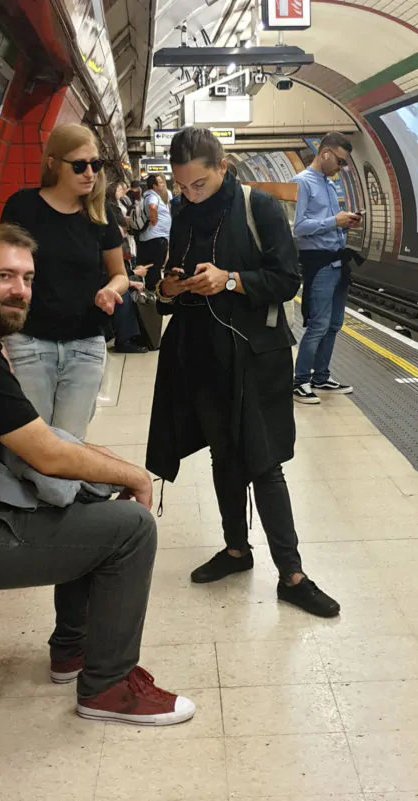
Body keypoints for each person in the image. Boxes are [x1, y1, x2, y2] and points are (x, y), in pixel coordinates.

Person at [0, 224, 195, 727]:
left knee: (88, 500)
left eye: (26, 278)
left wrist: (106, 467)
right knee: (131, 530)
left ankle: (72, 651)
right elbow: (46, 453)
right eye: (4, 276)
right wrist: (133, 475)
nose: (20, 290)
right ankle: (108, 687)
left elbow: (35, 434)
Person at [146, 127, 340, 618]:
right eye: (182, 186)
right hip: (201, 354)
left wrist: (229, 279)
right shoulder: (183, 213)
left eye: (199, 184)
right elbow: (170, 286)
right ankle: (236, 549)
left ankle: (292, 576)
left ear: (222, 168)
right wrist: (170, 288)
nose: (190, 194)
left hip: (253, 354)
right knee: (223, 455)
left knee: (263, 461)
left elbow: (287, 278)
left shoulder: (260, 207)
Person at [0, 123, 128, 439]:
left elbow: (120, 275)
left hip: (85, 344)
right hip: (29, 341)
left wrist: (110, 290)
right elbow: (2, 269)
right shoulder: (23, 207)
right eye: (80, 166)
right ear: (53, 163)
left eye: (96, 164)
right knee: (32, 444)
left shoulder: (100, 213)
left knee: (70, 444)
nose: (90, 173)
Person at [292, 132, 362, 404]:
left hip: (337, 261)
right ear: (325, 153)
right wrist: (334, 221)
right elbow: (298, 227)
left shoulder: (329, 185)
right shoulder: (302, 183)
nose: (341, 168)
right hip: (319, 263)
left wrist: (346, 223)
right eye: (340, 161)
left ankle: (320, 376)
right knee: (318, 325)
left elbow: (330, 222)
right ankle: (300, 381)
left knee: (334, 324)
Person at [105, 181, 148, 354]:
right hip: (104, 283)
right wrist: (131, 279)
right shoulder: (105, 244)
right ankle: (125, 339)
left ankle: (133, 335)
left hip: (109, 278)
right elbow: (106, 273)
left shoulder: (119, 205)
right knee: (124, 293)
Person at [138, 174, 172, 291]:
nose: (162, 185)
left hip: (154, 237)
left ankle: (152, 291)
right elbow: (152, 207)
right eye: (160, 183)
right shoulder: (152, 195)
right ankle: (154, 292)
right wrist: (154, 219)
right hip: (156, 238)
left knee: (154, 268)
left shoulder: (151, 195)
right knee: (155, 268)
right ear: (154, 186)